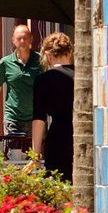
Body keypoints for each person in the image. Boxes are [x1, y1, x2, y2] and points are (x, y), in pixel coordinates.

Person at [31, 32, 76, 183]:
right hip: (83, 134)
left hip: (58, 138)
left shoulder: (43, 80)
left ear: (48, 56)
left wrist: (35, 155)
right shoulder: (83, 75)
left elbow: (39, 119)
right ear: (69, 53)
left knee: (59, 187)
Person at [0, 24, 44, 139]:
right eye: (19, 38)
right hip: (12, 118)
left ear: (31, 39)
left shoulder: (40, 61)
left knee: (34, 155)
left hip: (35, 118)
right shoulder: (6, 62)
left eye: (25, 37)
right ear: (13, 40)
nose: (22, 41)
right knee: (14, 153)